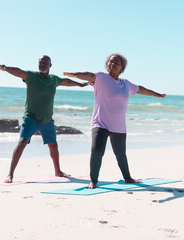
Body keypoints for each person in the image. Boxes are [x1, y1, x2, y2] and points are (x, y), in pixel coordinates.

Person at [63, 53, 166, 189]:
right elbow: (88, 75)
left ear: (121, 67)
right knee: (97, 151)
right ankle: (93, 180)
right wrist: (75, 74)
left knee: (121, 155)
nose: (112, 64)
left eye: (116, 63)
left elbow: (140, 89)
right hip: (100, 122)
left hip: (118, 125)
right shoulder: (101, 77)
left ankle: (128, 178)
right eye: (110, 62)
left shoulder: (125, 84)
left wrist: (155, 94)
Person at [0, 55, 88, 183]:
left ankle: (58, 171)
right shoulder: (31, 76)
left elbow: (66, 81)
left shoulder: (54, 80)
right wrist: (4, 68)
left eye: (45, 63)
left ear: (50, 65)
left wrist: (79, 85)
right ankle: (10, 174)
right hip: (30, 118)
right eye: (40, 62)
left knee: (53, 146)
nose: (42, 65)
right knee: (22, 143)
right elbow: (19, 72)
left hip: (47, 120)